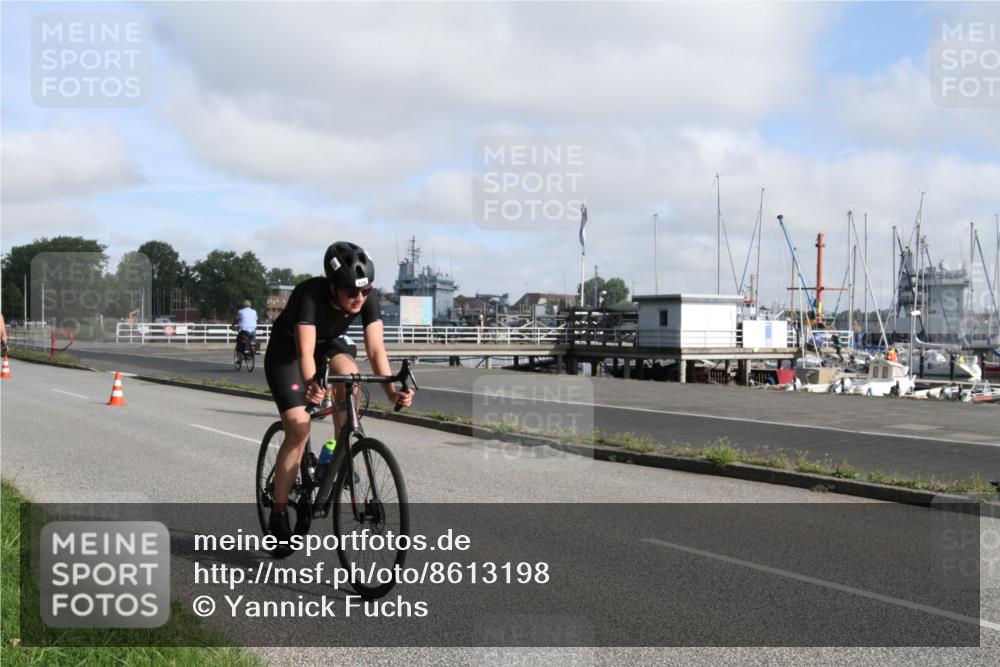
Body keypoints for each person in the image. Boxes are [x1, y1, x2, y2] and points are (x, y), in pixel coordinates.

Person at [263, 242, 413, 554]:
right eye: (352, 292)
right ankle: (279, 511)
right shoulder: (310, 294)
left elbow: (376, 350)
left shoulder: (366, 298)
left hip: (329, 344)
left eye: (365, 291)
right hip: (288, 352)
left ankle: (339, 454)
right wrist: (312, 385)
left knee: (351, 377)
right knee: (299, 427)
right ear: (333, 287)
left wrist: (391, 391)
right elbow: (305, 352)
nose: (360, 298)